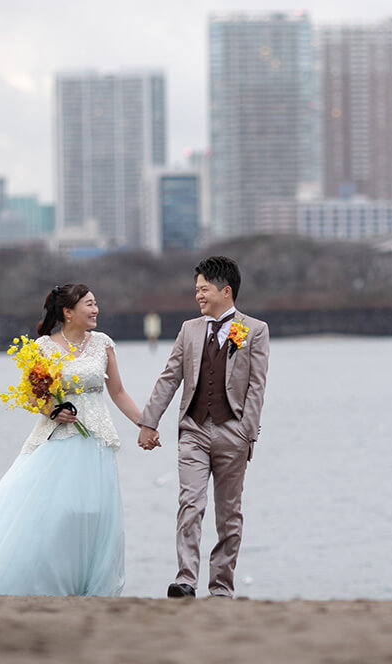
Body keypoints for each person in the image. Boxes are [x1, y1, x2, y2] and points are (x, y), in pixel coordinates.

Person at [0, 283, 149, 596]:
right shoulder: (42, 347)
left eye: (96, 304)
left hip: (97, 441)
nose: (96, 310)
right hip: (59, 441)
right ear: (68, 312)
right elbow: (34, 395)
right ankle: (46, 581)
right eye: (89, 304)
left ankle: (91, 587)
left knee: (96, 513)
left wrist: (145, 424)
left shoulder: (103, 343)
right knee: (55, 513)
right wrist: (53, 410)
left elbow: (118, 392)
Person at [136, 256, 269, 599]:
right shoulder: (189, 330)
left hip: (233, 432)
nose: (198, 295)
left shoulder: (255, 330)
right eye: (196, 289)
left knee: (229, 515)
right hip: (193, 430)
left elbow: (257, 386)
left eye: (204, 289)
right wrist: (149, 422)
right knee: (190, 504)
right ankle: (185, 580)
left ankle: (221, 586)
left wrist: (246, 432)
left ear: (226, 291)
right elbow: (170, 377)